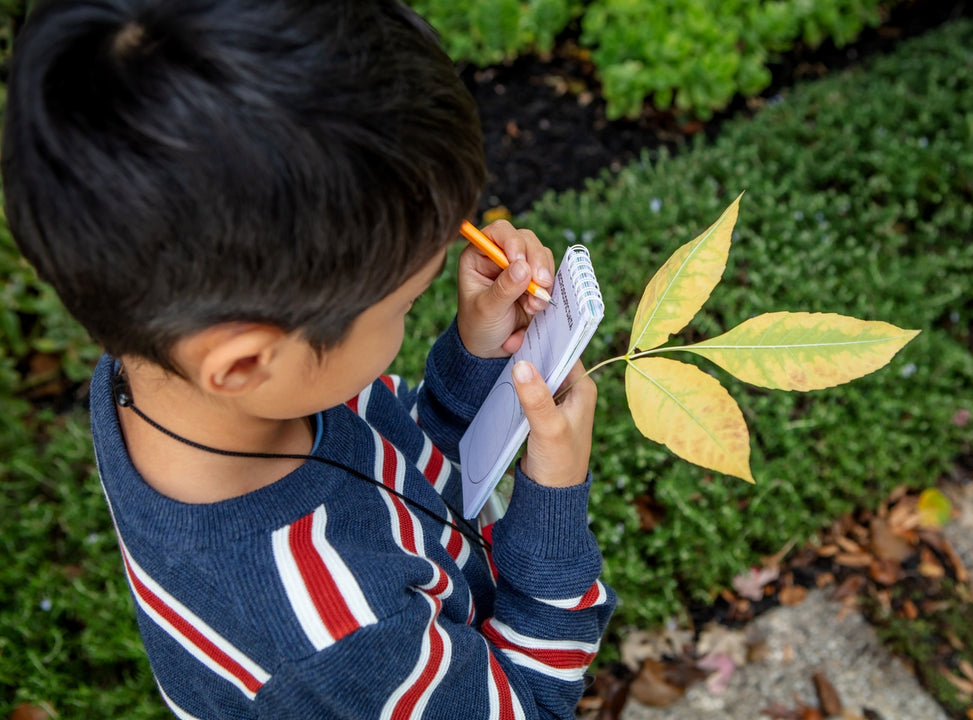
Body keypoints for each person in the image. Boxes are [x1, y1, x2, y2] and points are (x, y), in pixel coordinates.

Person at [1, 0, 615, 717]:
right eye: (403, 309)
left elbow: (403, 474)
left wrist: (476, 359)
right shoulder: (336, 634)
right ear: (242, 364)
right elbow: (531, 706)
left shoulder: (171, 375)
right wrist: (552, 503)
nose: (411, 318)